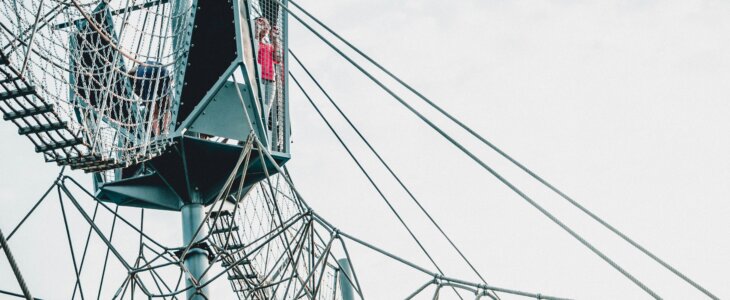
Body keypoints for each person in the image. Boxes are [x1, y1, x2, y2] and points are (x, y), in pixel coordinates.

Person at [129, 61, 171, 137]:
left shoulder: (133, 78)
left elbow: (139, 93)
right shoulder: (145, 64)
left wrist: (146, 102)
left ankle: (157, 135)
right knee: (166, 107)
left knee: (153, 111)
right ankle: (166, 131)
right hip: (162, 70)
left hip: (145, 75)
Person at [256, 17, 281, 128]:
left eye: (267, 25)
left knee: (265, 111)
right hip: (258, 78)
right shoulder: (254, 42)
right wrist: (257, 27)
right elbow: (255, 41)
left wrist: (275, 39)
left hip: (271, 80)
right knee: (257, 107)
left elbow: (278, 58)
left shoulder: (269, 46)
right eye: (263, 24)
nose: (266, 26)